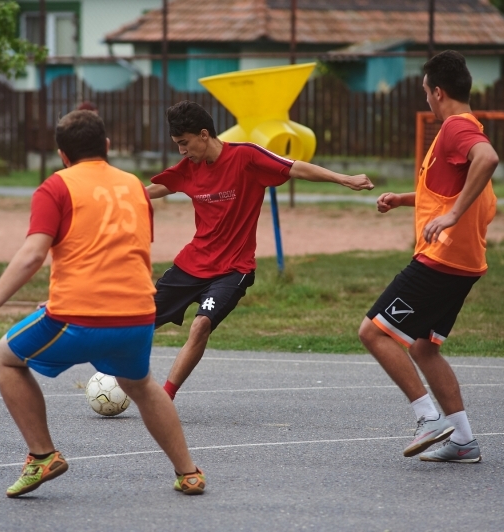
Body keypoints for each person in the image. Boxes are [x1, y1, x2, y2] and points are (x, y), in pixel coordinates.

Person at [0, 110, 205, 498]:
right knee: (141, 385)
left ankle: (42, 455)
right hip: (138, 314)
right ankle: (188, 472)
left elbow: (31, 255)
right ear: (106, 146)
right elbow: (118, 250)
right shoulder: (134, 187)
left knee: (5, 357)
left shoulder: (55, 187)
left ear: (62, 154)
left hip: (80, 316)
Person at [146, 100, 374, 400]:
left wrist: (343, 179)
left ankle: (165, 396)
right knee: (141, 318)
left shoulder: (246, 157)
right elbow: (151, 191)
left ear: (204, 134)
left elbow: (294, 168)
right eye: (177, 145)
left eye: (184, 143)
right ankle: (114, 374)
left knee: (201, 324)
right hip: (192, 264)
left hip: (232, 270)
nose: (182, 151)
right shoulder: (189, 169)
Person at [358, 50, 499, 463]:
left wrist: (452, 216)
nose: (426, 101)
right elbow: (449, 189)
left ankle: (429, 419)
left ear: (438, 92)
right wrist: (404, 199)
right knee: (423, 347)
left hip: (442, 260)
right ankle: (463, 440)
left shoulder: (456, 128)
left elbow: (488, 159)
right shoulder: (464, 127)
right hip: (465, 263)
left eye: (425, 93)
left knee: (374, 333)